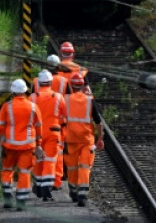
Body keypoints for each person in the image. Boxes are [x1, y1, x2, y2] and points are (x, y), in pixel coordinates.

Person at [0, 79, 43, 210]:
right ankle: (21, 201)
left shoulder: (7, 106)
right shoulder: (33, 107)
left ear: (13, 92)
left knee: (7, 170)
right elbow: (39, 127)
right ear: (25, 91)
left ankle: (7, 196)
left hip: (9, 147)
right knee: (24, 173)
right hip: (27, 148)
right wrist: (38, 144)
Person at [65, 73, 104, 207]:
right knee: (84, 166)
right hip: (87, 139)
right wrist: (100, 139)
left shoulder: (66, 99)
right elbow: (98, 122)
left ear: (71, 85)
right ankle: (82, 193)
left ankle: (73, 190)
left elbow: (60, 120)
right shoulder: (89, 100)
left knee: (72, 166)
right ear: (82, 85)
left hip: (70, 139)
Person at [29, 70, 66, 202]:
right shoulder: (58, 97)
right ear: (51, 83)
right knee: (50, 161)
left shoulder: (32, 97)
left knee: (38, 160)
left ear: (39, 82)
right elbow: (64, 117)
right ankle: (46, 191)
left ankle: (38, 186)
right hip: (52, 133)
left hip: (36, 134)